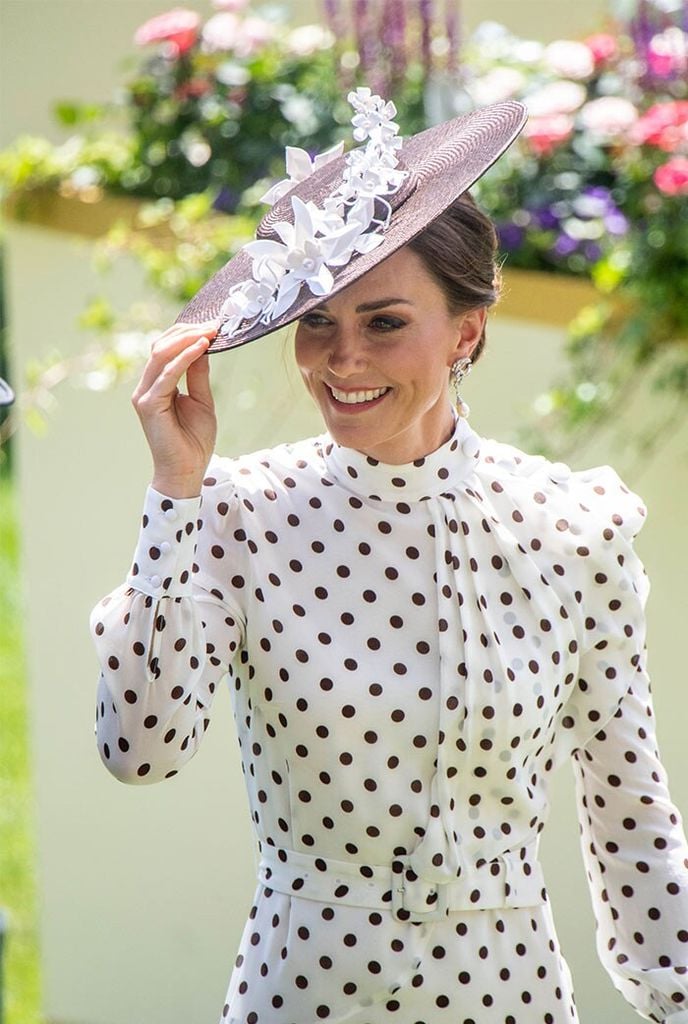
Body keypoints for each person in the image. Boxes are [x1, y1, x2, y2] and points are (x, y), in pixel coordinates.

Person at [91, 90, 688, 1024]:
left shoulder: (574, 528)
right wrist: (175, 489)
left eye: (383, 322)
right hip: (306, 994)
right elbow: (140, 750)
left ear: (467, 332)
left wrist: (673, 997)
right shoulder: (237, 514)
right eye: (317, 322)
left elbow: (632, 819)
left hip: (513, 996)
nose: (341, 360)